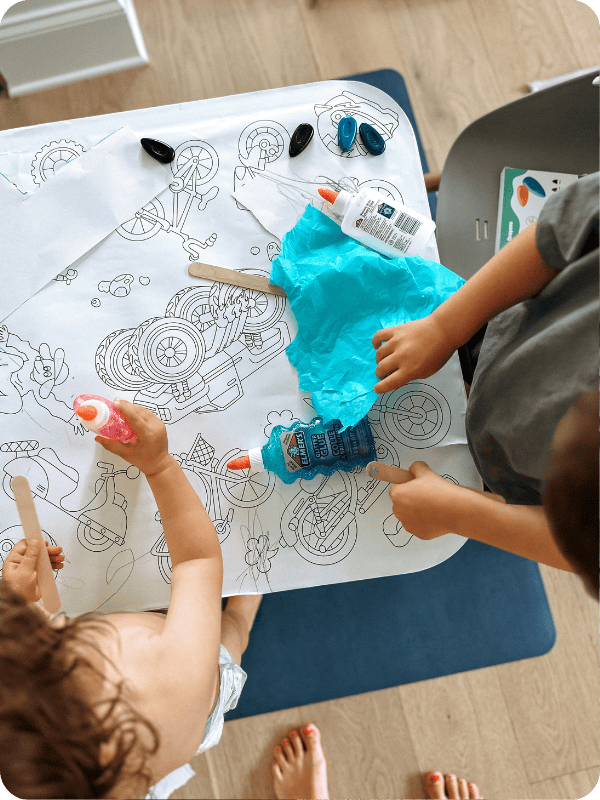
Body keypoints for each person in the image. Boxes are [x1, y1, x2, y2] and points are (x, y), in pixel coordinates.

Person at [0, 399, 261, 799]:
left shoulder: (53, 729)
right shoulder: (169, 676)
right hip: (199, 688)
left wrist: (24, 603)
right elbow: (197, 561)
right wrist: (159, 466)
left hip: (162, 724)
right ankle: (260, 578)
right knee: (232, 630)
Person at [371, 173, 598, 573]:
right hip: (491, 340)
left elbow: (576, 544)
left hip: (515, 484)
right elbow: (554, 234)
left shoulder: (578, 516)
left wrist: (466, 514)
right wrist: (444, 328)